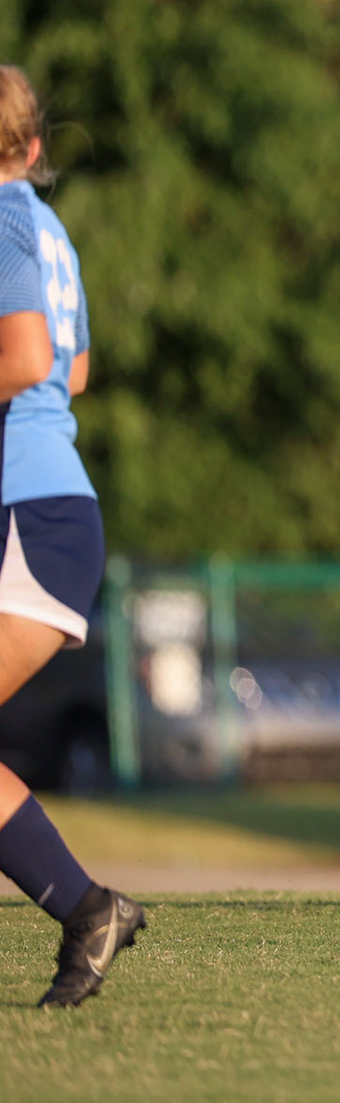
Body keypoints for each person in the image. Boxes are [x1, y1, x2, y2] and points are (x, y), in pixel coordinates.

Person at [0, 66, 145, 1005]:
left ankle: (89, 908)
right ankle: (90, 909)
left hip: (30, 512)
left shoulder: (2, 220)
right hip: (52, 505)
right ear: (37, 148)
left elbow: (32, 359)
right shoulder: (47, 227)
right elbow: (78, 369)